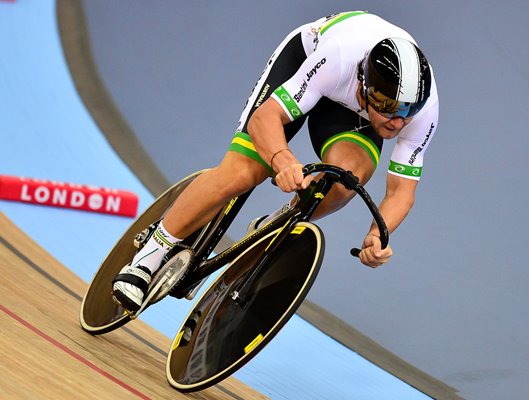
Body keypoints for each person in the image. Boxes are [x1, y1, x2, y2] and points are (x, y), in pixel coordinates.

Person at [112, 10, 439, 312]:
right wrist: (282, 159)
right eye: (389, 108)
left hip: (353, 110)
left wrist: (376, 235)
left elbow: (400, 192)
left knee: (344, 182)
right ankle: (148, 256)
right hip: (307, 64)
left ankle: (273, 225)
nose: (398, 122)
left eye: (407, 111)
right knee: (245, 171)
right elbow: (263, 119)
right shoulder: (338, 59)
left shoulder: (422, 109)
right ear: (366, 87)